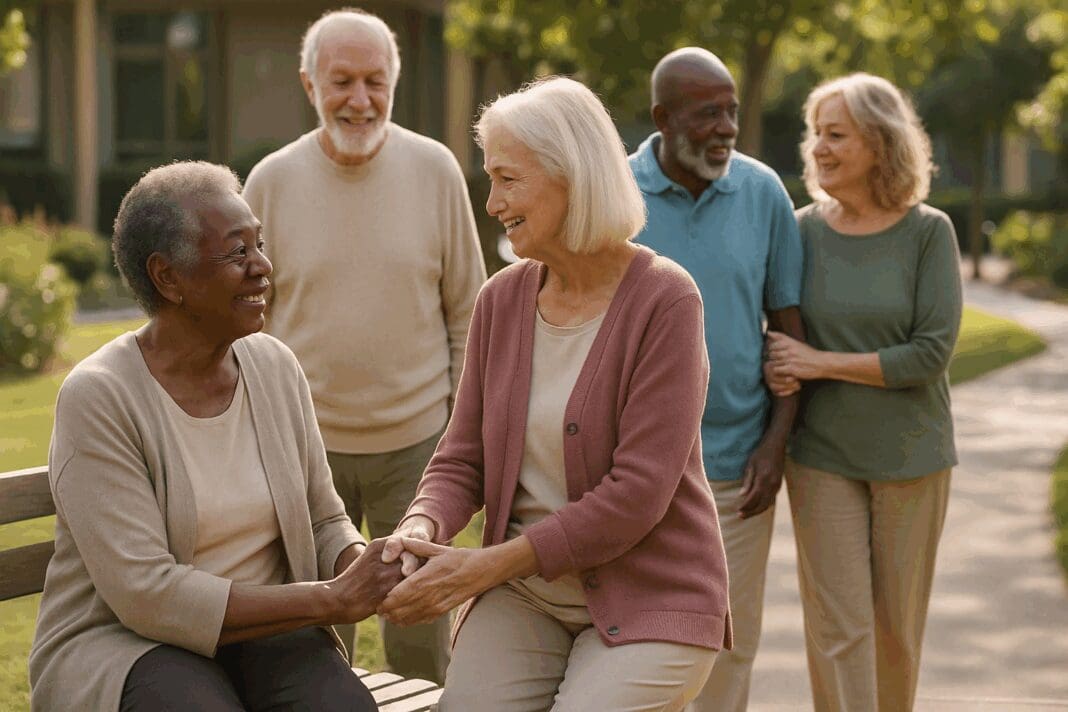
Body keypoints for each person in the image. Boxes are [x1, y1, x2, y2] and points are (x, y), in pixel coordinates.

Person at [372, 76, 732, 712]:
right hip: (526, 596)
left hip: (652, 595)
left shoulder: (666, 301)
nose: (492, 203)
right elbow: (462, 457)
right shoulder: (501, 299)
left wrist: (484, 567)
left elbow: (636, 495)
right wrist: (419, 526)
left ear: (573, 174)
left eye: (508, 179)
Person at [28, 162, 404, 712]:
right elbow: (146, 594)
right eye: (236, 253)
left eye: (259, 244)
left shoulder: (274, 366)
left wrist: (369, 568)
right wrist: (329, 599)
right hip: (129, 644)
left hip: (269, 632)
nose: (262, 267)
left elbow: (324, 518)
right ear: (167, 277)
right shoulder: (100, 396)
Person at [242, 8, 486, 682]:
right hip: (301, 451)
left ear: (395, 82)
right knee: (311, 635)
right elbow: (247, 330)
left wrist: (463, 436)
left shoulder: (436, 171)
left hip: (418, 449)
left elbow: (471, 313)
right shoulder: (268, 181)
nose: (359, 99)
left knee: (420, 629)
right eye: (341, 81)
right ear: (308, 84)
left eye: (375, 81)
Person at [764, 72, 962, 712]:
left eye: (836, 134)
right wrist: (780, 365)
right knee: (837, 630)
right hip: (821, 457)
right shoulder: (797, 230)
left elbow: (929, 353)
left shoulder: (928, 232)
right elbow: (777, 334)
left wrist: (817, 361)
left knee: (895, 629)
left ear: (880, 142)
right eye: (815, 133)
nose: (819, 148)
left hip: (911, 457)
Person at [628, 47, 805, 711]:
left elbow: (788, 331)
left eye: (731, 111)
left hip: (735, 469)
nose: (727, 127)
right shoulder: (614, 191)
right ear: (663, 118)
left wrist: (775, 443)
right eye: (708, 114)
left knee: (730, 638)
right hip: (634, 466)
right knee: (638, 636)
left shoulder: (762, 192)